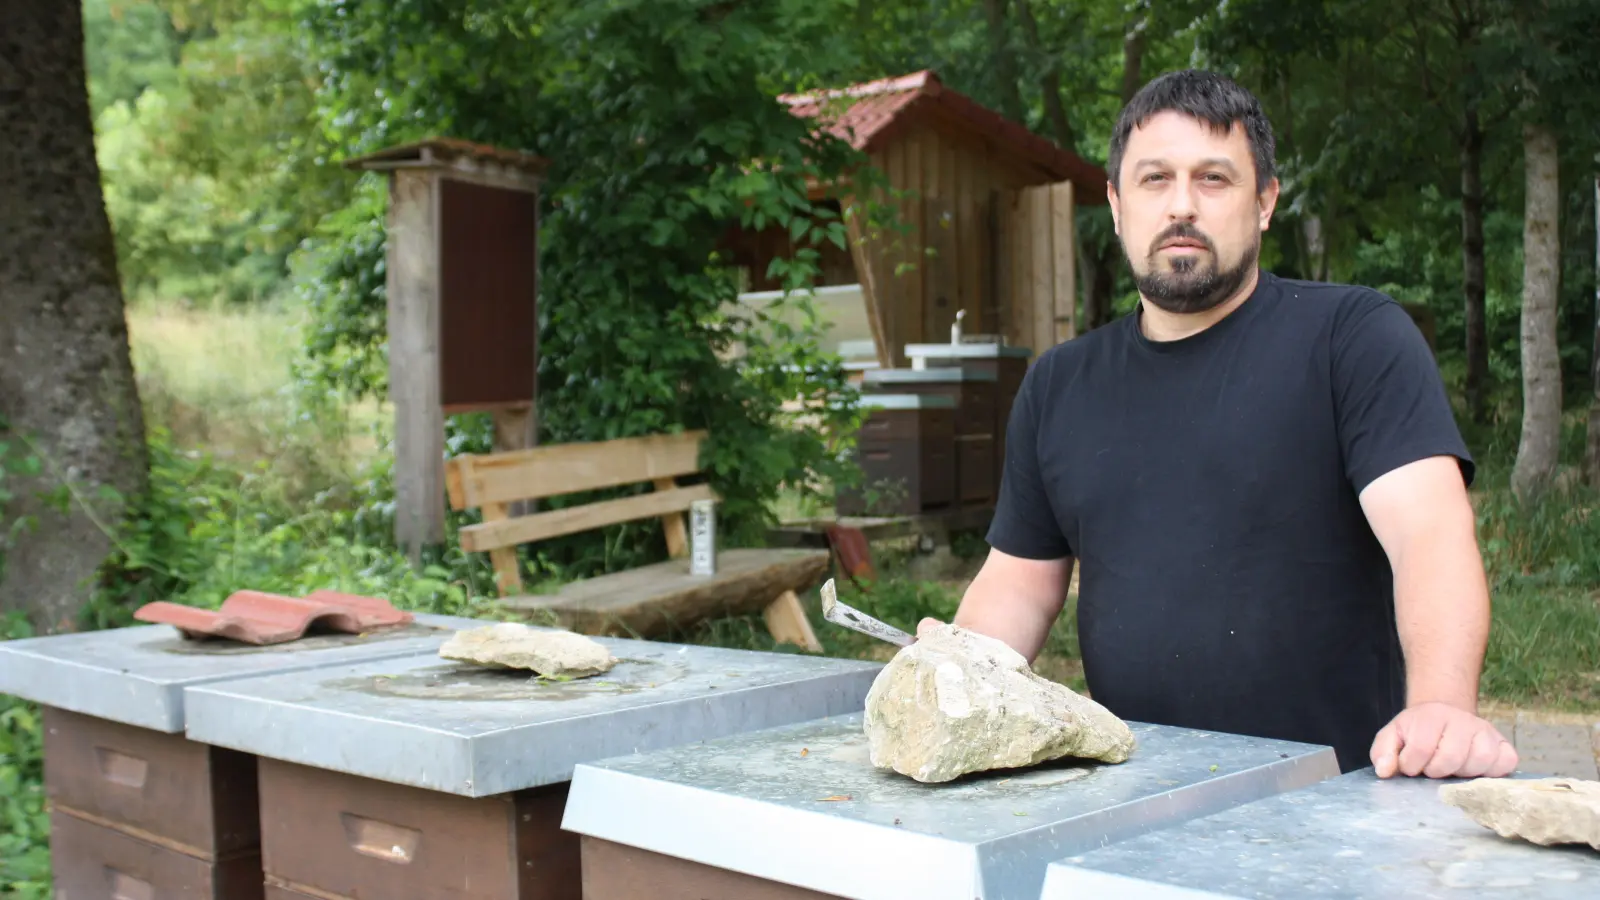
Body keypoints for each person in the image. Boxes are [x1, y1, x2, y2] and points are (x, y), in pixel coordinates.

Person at [918, 69, 1518, 780]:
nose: (1181, 205)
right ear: (1116, 205)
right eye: (1154, 179)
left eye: (1213, 179)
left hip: (1343, 795)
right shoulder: (1059, 385)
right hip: (1132, 793)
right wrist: (953, 675)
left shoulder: (1353, 339)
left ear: (1264, 202)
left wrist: (1442, 707)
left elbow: (1430, 536)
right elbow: (1018, 585)